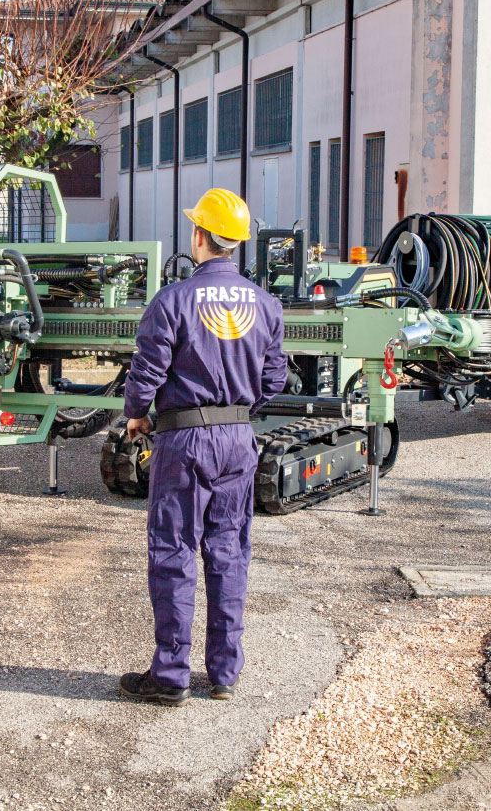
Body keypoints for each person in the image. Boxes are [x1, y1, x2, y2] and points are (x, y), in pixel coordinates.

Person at [118, 188, 287, 706]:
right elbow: (275, 378)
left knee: (174, 552)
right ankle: (224, 675)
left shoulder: (172, 301)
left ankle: (170, 676)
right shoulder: (266, 303)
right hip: (238, 440)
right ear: (235, 243)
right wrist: (237, 413)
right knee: (229, 553)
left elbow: (146, 374)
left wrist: (137, 416)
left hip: (183, 439)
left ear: (199, 237)